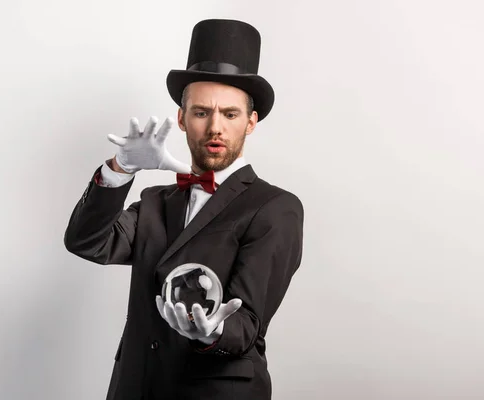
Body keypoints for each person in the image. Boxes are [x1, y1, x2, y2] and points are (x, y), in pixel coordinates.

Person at [64, 18, 304, 400]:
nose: (215, 128)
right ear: (181, 118)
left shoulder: (275, 208)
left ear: (251, 122)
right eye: (200, 112)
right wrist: (120, 168)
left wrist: (212, 332)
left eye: (230, 114)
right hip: (137, 387)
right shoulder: (157, 200)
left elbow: (247, 323)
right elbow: (87, 242)